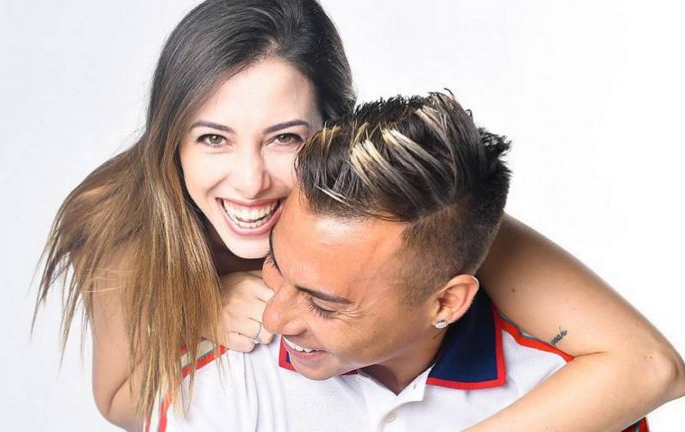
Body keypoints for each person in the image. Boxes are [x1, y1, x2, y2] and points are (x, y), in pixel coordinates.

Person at [33, 0, 684, 431]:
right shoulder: (122, 223)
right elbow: (123, 400)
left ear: (333, 136)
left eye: (285, 138)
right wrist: (201, 305)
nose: (250, 180)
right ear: (169, 141)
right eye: (212, 138)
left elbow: (648, 366)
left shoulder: (416, 219)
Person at [146, 93, 651, 432]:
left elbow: (651, 366)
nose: (274, 318)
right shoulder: (218, 381)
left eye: (324, 303)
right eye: (276, 263)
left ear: (447, 303)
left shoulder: (575, 402)